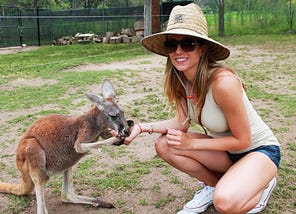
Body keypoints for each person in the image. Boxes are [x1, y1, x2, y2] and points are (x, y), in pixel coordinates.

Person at [118, 3, 281, 214]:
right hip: (227, 152)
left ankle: (263, 186)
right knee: (165, 144)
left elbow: (244, 140)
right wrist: (140, 128)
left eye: (187, 44)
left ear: (202, 47)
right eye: (172, 45)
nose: (178, 51)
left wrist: (191, 145)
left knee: (225, 204)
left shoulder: (223, 83)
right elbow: (181, 122)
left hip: (259, 152)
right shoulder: (180, 78)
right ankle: (214, 185)